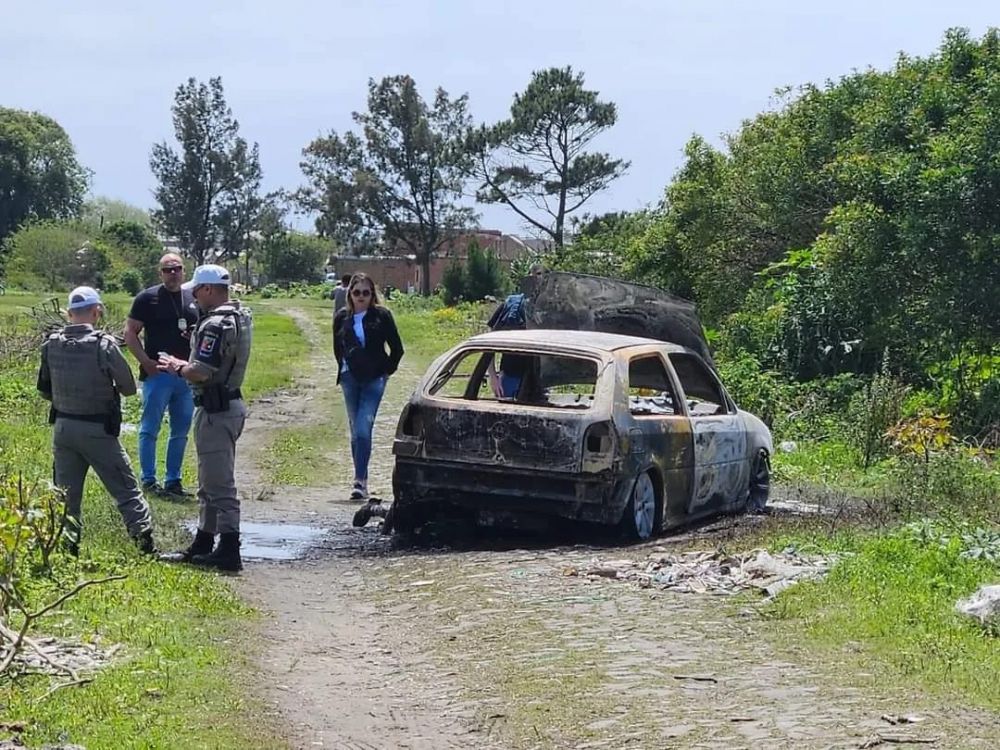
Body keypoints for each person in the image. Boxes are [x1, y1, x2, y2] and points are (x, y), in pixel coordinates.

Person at [36, 286, 156, 555]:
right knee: (126, 489)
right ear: (96, 311)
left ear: (69, 313)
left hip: (64, 428)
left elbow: (44, 390)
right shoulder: (104, 345)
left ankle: (67, 550)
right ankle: (144, 545)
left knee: (66, 495)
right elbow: (127, 387)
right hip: (98, 429)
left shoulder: (51, 343)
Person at [156, 265, 253, 572]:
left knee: (219, 483)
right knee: (208, 481)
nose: (194, 297)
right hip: (228, 404)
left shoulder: (214, 324)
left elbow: (202, 371)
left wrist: (178, 367)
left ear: (209, 289)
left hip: (216, 409)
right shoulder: (239, 316)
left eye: (197, 290)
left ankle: (228, 548)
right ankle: (204, 542)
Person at [124, 253, 200, 499]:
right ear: (160, 273)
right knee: (150, 427)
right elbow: (130, 333)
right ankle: (148, 479)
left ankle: (173, 480)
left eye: (177, 269)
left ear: (184, 271)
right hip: (158, 374)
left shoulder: (192, 298)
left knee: (181, 429)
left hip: (185, 374)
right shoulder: (147, 298)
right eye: (167, 270)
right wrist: (145, 361)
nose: (173, 274)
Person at [333, 273, 404, 501]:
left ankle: (360, 481)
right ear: (349, 294)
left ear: (372, 294)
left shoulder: (381, 316)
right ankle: (359, 477)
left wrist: (386, 371)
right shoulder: (342, 317)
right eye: (356, 292)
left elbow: (397, 348)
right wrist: (344, 370)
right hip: (350, 379)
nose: (361, 297)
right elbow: (338, 348)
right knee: (356, 432)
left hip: (374, 379)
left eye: (366, 292)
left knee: (364, 428)